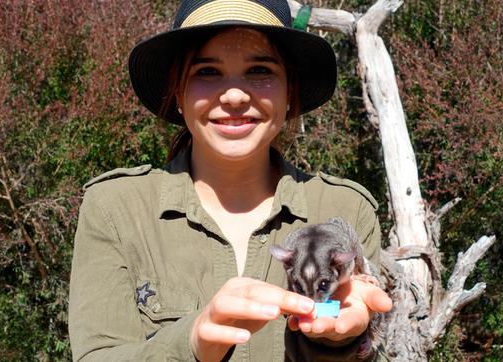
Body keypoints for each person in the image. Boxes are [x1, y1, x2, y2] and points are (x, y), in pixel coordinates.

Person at [68, 0, 393, 360]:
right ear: (178, 93)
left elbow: (353, 327)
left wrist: (341, 340)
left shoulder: (345, 210)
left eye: (259, 70)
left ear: (289, 93)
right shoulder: (116, 209)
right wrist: (192, 341)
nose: (235, 95)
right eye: (207, 72)